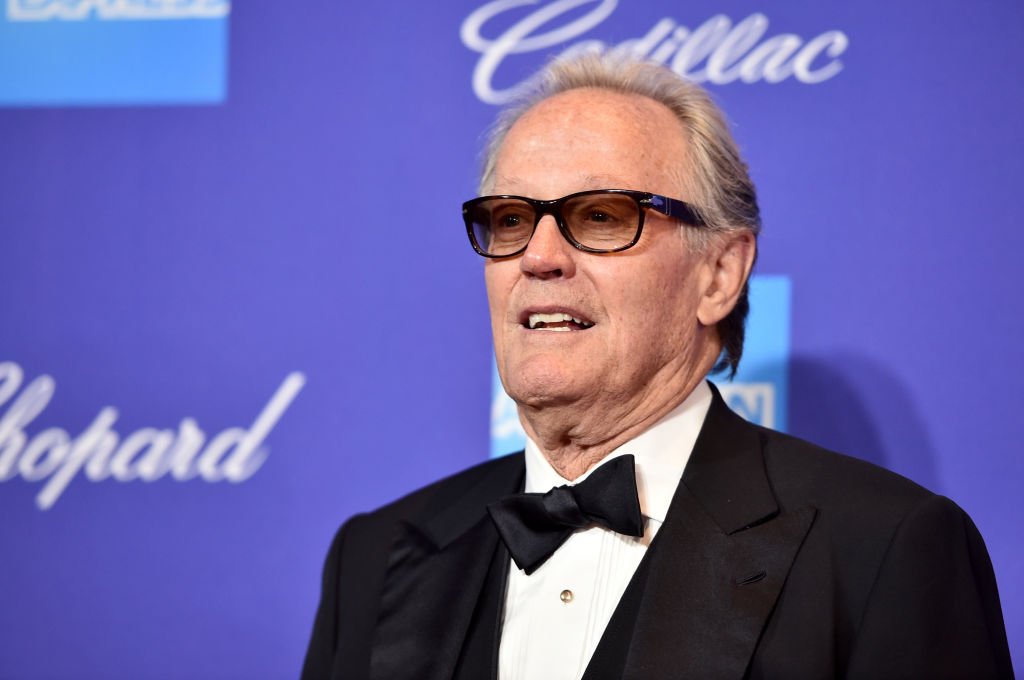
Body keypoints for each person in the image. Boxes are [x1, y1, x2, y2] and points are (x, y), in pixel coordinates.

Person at [301, 54, 1013, 680]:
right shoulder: (374, 554)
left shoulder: (885, 551)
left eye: (603, 216)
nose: (540, 257)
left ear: (720, 274)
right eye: (512, 219)